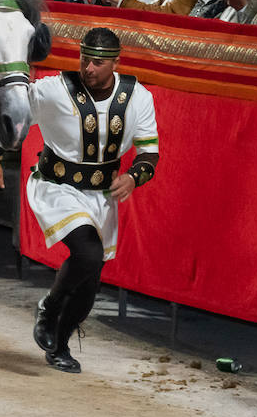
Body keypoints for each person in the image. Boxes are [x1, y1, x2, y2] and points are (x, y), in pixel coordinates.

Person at [28, 28, 160, 373]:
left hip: (101, 196)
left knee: (92, 276)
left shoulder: (138, 97)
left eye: (98, 63)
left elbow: (149, 154)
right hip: (57, 187)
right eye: (85, 60)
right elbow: (11, 115)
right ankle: (50, 307)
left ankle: (61, 344)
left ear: (116, 63)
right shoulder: (53, 90)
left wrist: (133, 177)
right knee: (87, 253)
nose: (88, 68)